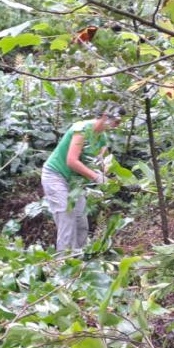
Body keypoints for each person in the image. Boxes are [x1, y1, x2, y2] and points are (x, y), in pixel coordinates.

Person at [41, 104, 125, 251]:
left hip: (75, 182)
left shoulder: (102, 137)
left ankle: (79, 262)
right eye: (116, 122)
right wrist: (97, 178)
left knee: (80, 221)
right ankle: (63, 263)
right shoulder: (81, 130)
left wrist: (106, 172)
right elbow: (72, 161)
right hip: (56, 176)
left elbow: (100, 161)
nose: (116, 126)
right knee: (67, 219)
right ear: (106, 116)